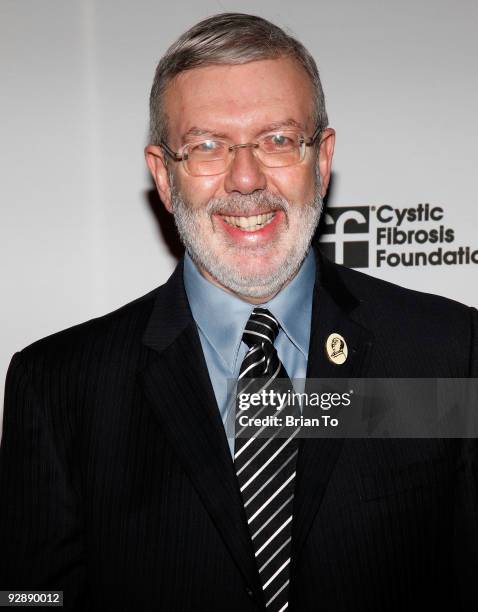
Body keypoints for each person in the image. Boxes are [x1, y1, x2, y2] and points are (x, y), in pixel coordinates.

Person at [1, 12, 477, 612]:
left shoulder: (446, 352)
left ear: (321, 159)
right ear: (165, 178)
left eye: (278, 139)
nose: (246, 179)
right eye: (206, 146)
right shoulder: (58, 385)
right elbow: (29, 597)